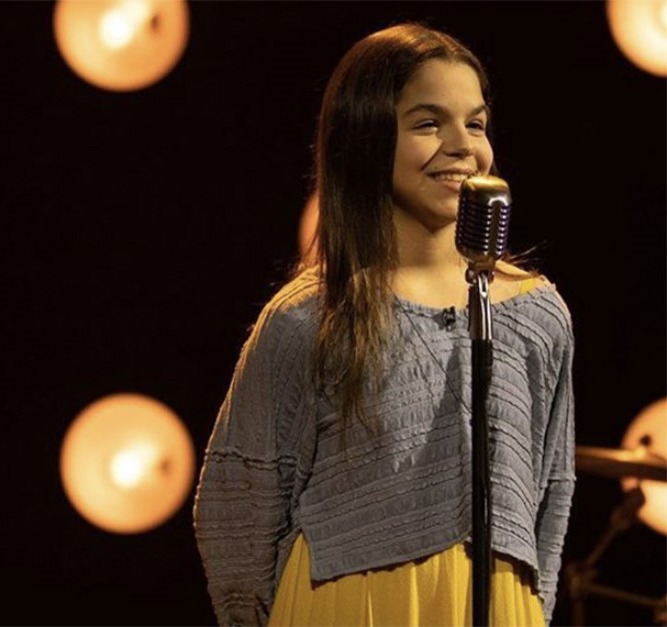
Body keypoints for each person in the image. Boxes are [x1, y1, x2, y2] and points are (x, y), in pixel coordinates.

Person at [192, 23, 575, 627]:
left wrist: (526, 609)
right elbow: (239, 502)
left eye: (475, 123)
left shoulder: (536, 315)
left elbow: (551, 493)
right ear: (367, 138)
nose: (462, 146)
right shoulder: (311, 317)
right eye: (428, 123)